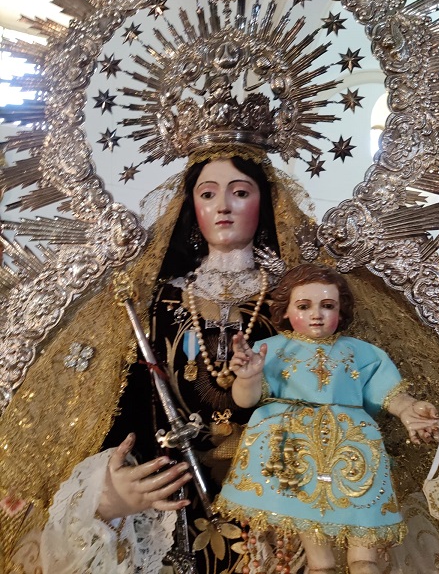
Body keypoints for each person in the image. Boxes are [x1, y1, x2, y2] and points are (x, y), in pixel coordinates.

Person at [4, 145, 311, 574]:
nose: (223, 206)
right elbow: (122, 402)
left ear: (266, 202)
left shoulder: (299, 300)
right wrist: (111, 487)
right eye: (208, 194)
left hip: (280, 496)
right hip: (174, 495)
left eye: (240, 192)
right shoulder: (157, 299)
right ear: (191, 206)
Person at [215, 263, 439, 574]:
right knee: (319, 559)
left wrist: (408, 409)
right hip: (295, 454)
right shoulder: (271, 350)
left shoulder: (362, 353)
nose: (316, 315)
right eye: (304, 306)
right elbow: (246, 400)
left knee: (364, 554)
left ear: (341, 309)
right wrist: (248, 376)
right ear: (285, 310)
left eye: (327, 305)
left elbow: (387, 393)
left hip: (353, 452)